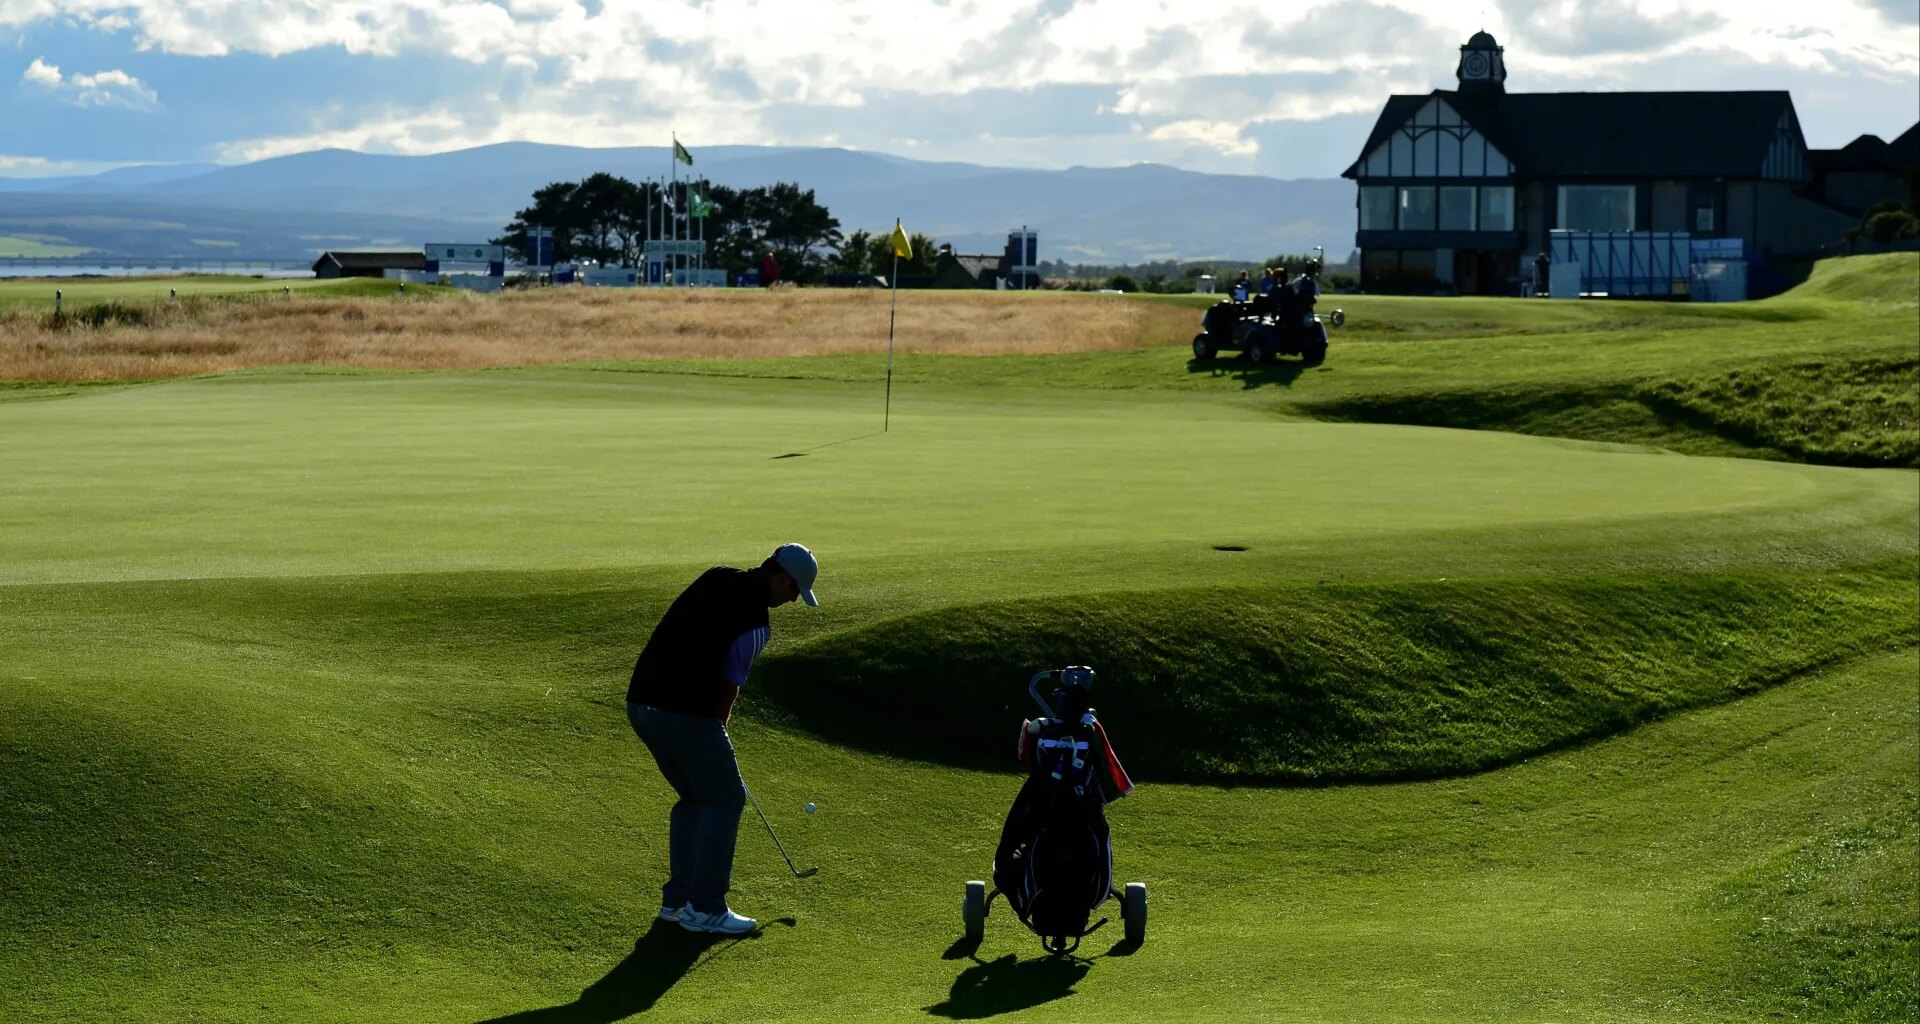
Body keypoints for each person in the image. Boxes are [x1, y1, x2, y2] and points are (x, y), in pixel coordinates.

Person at [626, 543, 821, 936]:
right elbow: (730, 685)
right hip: (684, 714)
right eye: (795, 591)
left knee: (697, 798)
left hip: (642, 705)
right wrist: (720, 733)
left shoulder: (715, 575)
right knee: (726, 797)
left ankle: (677, 904)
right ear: (782, 579)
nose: (793, 600)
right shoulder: (757, 622)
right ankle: (706, 908)